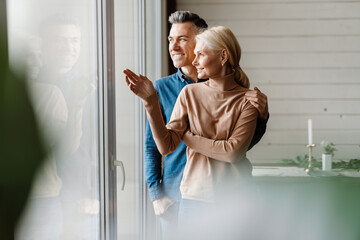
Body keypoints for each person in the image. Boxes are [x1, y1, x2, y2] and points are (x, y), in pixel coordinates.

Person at [124, 22, 268, 236]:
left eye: (200, 54)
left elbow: (233, 152)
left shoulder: (248, 100)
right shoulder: (189, 93)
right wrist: (151, 103)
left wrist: (189, 138)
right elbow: (165, 146)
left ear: (223, 56)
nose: (194, 60)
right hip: (193, 200)